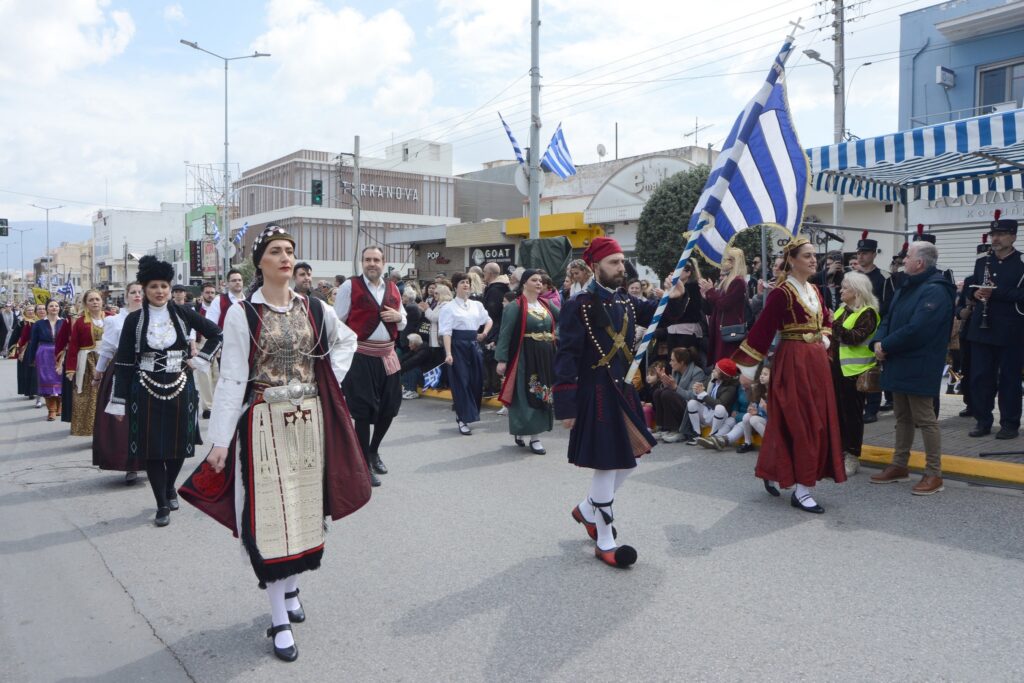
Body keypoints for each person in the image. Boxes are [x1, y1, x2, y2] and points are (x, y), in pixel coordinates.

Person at [192, 224, 368, 664]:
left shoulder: (313, 307)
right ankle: (279, 617)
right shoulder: (241, 314)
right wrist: (218, 439)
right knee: (271, 517)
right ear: (260, 262)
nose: (286, 257)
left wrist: (329, 381)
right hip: (263, 423)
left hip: (309, 419)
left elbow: (346, 341)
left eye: (290, 251)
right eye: (276, 251)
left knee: (306, 509)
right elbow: (232, 376)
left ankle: (291, 589)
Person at [554, 236, 684, 568]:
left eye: (622, 261)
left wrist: (674, 293)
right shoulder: (577, 305)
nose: (621, 267)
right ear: (595, 267)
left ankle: (586, 509)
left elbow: (659, 313)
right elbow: (566, 356)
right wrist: (567, 405)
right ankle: (605, 540)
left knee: (629, 462)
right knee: (608, 464)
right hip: (595, 393)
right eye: (613, 262)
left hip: (622, 391)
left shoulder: (626, 302)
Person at [107, 256, 223, 527]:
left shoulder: (183, 313)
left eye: (164, 286)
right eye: (153, 287)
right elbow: (124, 362)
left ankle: (171, 486)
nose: (160, 291)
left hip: (181, 386)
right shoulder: (134, 321)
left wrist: (200, 360)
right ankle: (161, 504)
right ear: (145, 291)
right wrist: (119, 401)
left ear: (170, 289)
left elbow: (216, 333)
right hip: (144, 389)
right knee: (152, 450)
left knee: (178, 446)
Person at [733, 237, 845, 513]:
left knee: (815, 421)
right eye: (806, 255)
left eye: (813, 255)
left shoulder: (815, 290)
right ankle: (802, 489)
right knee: (800, 422)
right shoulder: (782, 293)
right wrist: (747, 370)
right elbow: (762, 330)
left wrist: (826, 339)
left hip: (817, 362)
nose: (812, 260)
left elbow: (827, 319)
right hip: (793, 360)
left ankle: (777, 471)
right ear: (792, 260)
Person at [868, 241, 955, 495]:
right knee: (902, 417)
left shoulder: (935, 291)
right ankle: (899, 465)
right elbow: (888, 317)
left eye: (908, 256)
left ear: (920, 263)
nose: (903, 260)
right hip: (898, 360)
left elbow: (918, 329)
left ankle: (934, 473)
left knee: (925, 419)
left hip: (919, 363)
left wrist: (886, 345)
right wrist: (878, 341)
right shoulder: (907, 285)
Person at [335, 246, 407, 486]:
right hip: (361, 356)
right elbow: (338, 322)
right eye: (367, 260)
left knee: (390, 409)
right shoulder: (349, 286)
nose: (372, 263)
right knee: (363, 412)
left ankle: (374, 450)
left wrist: (399, 318)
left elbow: (404, 320)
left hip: (388, 355)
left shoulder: (393, 288)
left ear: (383, 263)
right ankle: (363, 463)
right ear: (362, 262)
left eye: (376, 259)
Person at [965, 216, 1024, 440]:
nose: (995, 239)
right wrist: (974, 293)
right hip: (982, 328)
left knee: (1009, 379)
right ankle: (983, 420)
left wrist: (995, 293)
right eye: (993, 235)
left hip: (1011, 330)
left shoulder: (1021, 262)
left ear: (1013, 237)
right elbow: (971, 287)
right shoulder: (983, 261)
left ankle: (1009, 423)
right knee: (980, 378)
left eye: (1000, 235)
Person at [495, 269, 557, 454]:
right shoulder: (515, 306)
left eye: (540, 280)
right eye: (534, 280)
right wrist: (501, 359)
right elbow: (505, 333)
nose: (539, 283)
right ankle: (533, 436)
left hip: (545, 356)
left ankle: (532, 433)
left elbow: (565, 318)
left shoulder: (545, 304)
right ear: (524, 283)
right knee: (526, 393)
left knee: (544, 393)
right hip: (525, 357)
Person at [829, 271, 880, 477]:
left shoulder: (868, 313)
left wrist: (833, 323)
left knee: (852, 417)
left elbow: (853, 338)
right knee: (838, 414)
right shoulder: (843, 309)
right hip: (837, 369)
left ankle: (852, 456)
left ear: (857, 291)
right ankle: (840, 451)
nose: (841, 291)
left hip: (856, 372)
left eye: (845, 288)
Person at [93, 281, 144, 484]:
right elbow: (106, 350)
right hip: (123, 370)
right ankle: (130, 464)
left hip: (150, 371)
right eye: (133, 292)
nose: (137, 295)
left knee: (148, 417)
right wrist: (98, 374)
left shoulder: (154, 316)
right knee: (125, 420)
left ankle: (153, 460)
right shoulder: (115, 321)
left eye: (140, 292)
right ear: (126, 296)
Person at [440, 272, 493, 435]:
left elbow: (488, 320)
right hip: (457, 345)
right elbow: (446, 332)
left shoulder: (476, 305)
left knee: (476, 381)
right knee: (461, 381)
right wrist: (448, 353)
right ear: (455, 286)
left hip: (473, 345)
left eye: (468, 282)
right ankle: (462, 418)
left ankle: (471, 413)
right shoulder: (448, 307)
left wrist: (484, 333)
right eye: (462, 282)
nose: (466, 285)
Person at [855, 231, 890, 423]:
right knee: (855, 370)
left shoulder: (884, 277)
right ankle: (858, 405)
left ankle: (872, 409)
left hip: (874, 327)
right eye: (859, 253)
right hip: (854, 329)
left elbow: (888, 305)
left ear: (874, 254)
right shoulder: (851, 276)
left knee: (873, 370)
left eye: (865, 253)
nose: (861, 256)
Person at [699, 364, 771, 452]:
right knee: (733, 420)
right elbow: (739, 402)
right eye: (761, 374)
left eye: (746, 386)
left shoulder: (758, 389)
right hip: (750, 416)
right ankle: (715, 439)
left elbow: (771, 413)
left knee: (746, 420)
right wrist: (737, 410)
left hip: (763, 420)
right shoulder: (758, 389)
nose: (743, 388)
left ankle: (724, 440)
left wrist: (761, 409)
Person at [669, 358, 741, 445]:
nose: (713, 370)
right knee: (692, 403)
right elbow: (700, 396)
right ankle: (696, 434)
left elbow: (719, 403)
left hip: (721, 417)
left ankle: (713, 435)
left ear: (723, 374)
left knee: (719, 408)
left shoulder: (731, 387)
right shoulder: (711, 379)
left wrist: (702, 394)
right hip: (708, 412)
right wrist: (697, 390)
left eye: (717, 370)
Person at [65, 289, 107, 436]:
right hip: (89, 362)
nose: (95, 302)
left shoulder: (111, 318)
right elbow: (73, 346)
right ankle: (92, 431)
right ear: (86, 304)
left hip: (108, 360)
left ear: (102, 301)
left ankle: (110, 431)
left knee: (109, 396)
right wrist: (70, 368)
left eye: (97, 299)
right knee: (90, 397)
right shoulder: (80, 322)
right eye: (91, 300)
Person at [700, 246, 748, 366]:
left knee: (725, 364)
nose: (725, 262)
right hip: (719, 329)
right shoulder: (726, 281)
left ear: (735, 262)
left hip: (728, 331)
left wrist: (711, 291)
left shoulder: (738, 282)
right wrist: (707, 296)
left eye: (729, 259)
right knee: (718, 364)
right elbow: (713, 308)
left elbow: (724, 304)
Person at [648, 346, 705, 441]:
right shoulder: (676, 371)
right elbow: (669, 390)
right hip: (679, 403)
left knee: (667, 394)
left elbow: (693, 396)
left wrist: (675, 387)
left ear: (682, 362)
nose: (670, 363)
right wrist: (663, 380)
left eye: (673, 360)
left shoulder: (697, 372)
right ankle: (663, 428)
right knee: (658, 392)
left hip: (690, 408)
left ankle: (677, 430)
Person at [26, 300, 65, 421]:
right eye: (51, 306)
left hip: (61, 354)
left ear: (59, 308)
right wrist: (31, 358)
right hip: (44, 354)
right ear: (47, 309)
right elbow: (33, 342)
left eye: (56, 306)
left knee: (60, 380)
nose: (54, 308)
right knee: (47, 380)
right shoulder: (39, 324)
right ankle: (51, 410)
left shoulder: (64, 322)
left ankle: (60, 405)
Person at [16, 304, 41, 404]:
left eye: (32, 310)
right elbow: (18, 337)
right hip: (27, 348)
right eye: (28, 310)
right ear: (25, 312)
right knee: (29, 370)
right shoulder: (22, 323)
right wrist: (16, 349)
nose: (31, 312)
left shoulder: (39, 322)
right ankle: (30, 391)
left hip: (40, 347)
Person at [399, 333, 431, 399]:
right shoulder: (416, 348)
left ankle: (412, 391)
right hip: (421, 374)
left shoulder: (424, 351)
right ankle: (407, 389)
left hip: (427, 377)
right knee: (405, 367)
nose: (408, 345)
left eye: (410, 343)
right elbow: (405, 357)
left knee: (412, 368)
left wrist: (399, 368)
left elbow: (412, 361)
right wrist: (396, 364)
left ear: (415, 344)